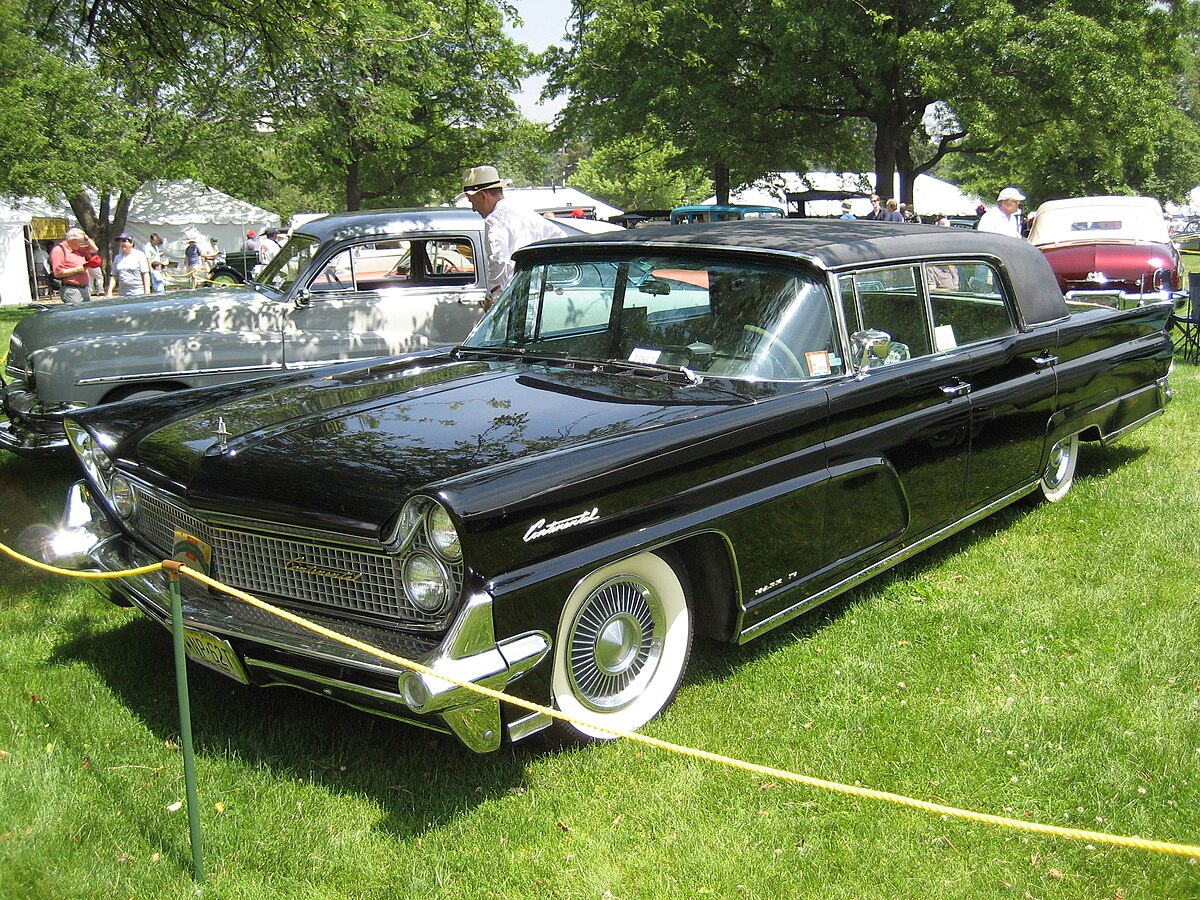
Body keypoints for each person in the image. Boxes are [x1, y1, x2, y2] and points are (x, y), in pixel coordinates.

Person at [462, 165, 561, 307]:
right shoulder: (526, 212)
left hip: (516, 298)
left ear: (483, 196)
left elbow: (498, 259)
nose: (473, 209)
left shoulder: (494, 220)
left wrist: (493, 298)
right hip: (540, 295)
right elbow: (559, 238)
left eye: (473, 202)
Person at [49, 227, 102, 303]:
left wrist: (87, 238)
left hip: (84, 288)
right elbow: (57, 273)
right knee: (76, 313)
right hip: (71, 289)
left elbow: (95, 249)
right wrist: (77, 270)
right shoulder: (59, 250)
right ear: (74, 241)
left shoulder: (77, 249)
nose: (82, 244)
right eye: (81, 242)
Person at [107, 233, 150, 298]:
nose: (122, 243)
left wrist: (147, 292)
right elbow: (114, 276)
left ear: (131, 243)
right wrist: (109, 292)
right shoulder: (117, 258)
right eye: (120, 241)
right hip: (123, 294)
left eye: (124, 241)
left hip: (138, 293)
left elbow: (145, 274)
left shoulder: (139, 255)